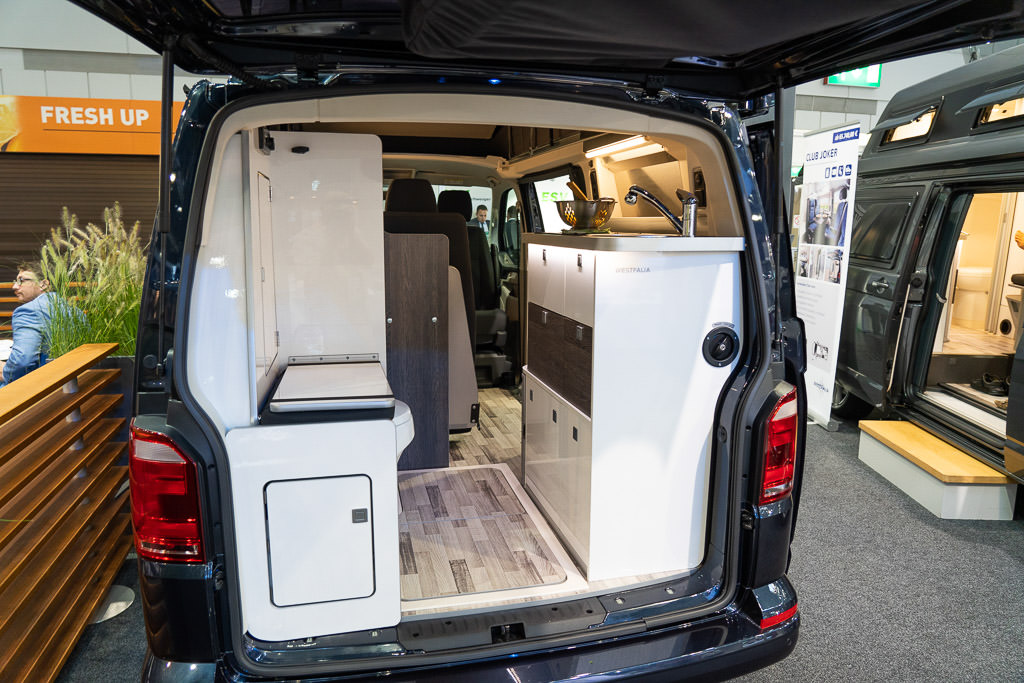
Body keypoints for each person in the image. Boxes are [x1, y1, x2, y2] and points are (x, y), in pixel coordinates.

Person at [0, 263, 58, 387]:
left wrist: (5, 373)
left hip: (37, 391)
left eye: (21, 280)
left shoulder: (28, 311)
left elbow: (23, 361)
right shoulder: (74, 311)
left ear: (44, 284)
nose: (14, 287)